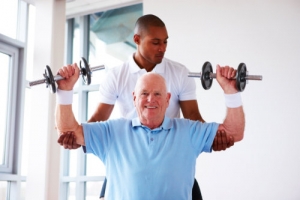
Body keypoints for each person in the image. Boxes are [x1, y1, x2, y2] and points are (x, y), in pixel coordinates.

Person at [57, 14, 235, 199]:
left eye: (165, 42)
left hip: (170, 158)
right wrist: (77, 136)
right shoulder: (117, 75)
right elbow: (97, 121)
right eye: (156, 42)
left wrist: (215, 138)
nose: (162, 48)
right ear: (137, 39)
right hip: (128, 160)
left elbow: (194, 120)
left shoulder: (179, 73)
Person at [55, 67, 245, 200]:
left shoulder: (188, 131)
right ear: (134, 98)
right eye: (144, 93)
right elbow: (69, 130)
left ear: (168, 98)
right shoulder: (112, 132)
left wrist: (231, 92)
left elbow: (233, 133)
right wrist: (64, 91)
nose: (150, 99)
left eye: (157, 94)